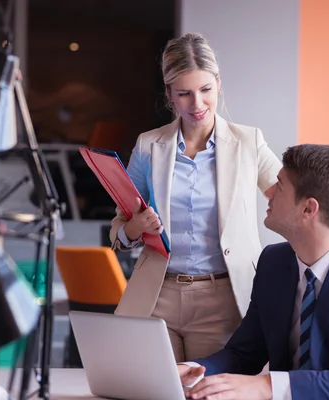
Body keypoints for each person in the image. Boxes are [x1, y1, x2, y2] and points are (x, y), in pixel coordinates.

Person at [178, 144, 329, 400]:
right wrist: (192, 371)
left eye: (280, 186)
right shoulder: (273, 262)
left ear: (308, 209)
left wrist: (268, 386)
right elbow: (244, 353)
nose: (269, 193)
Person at [109, 33, 282, 362]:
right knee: (153, 391)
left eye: (205, 90)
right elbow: (119, 226)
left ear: (218, 83)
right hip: (156, 296)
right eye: (184, 94)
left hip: (221, 299)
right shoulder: (148, 146)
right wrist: (134, 229)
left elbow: (288, 198)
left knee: (209, 392)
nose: (197, 104)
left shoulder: (249, 142)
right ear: (170, 95)